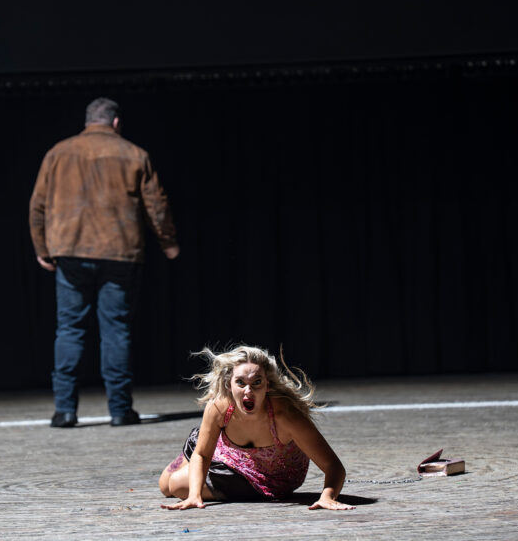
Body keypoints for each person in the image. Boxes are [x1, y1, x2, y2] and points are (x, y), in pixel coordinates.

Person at [29, 97, 179, 428]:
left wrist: (42, 247)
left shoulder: (58, 153)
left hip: (70, 251)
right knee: (116, 330)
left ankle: (65, 411)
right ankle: (120, 410)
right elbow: (157, 205)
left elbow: (38, 204)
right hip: (119, 253)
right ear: (115, 123)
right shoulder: (134, 154)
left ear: (88, 121)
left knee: (69, 329)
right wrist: (168, 243)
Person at [159, 345, 356, 510]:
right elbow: (201, 455)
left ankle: (203, 475)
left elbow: (333, 466)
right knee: (164, 485)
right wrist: (195, 496)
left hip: (269, 478)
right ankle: (202, 474)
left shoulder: (285, 416)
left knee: (176, 485)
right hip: (227, 454)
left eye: (257, 383)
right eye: (240, 383)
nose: (248, 391)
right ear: (229, 384)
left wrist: (328, 496)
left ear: (267, 385)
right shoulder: (219, 407)